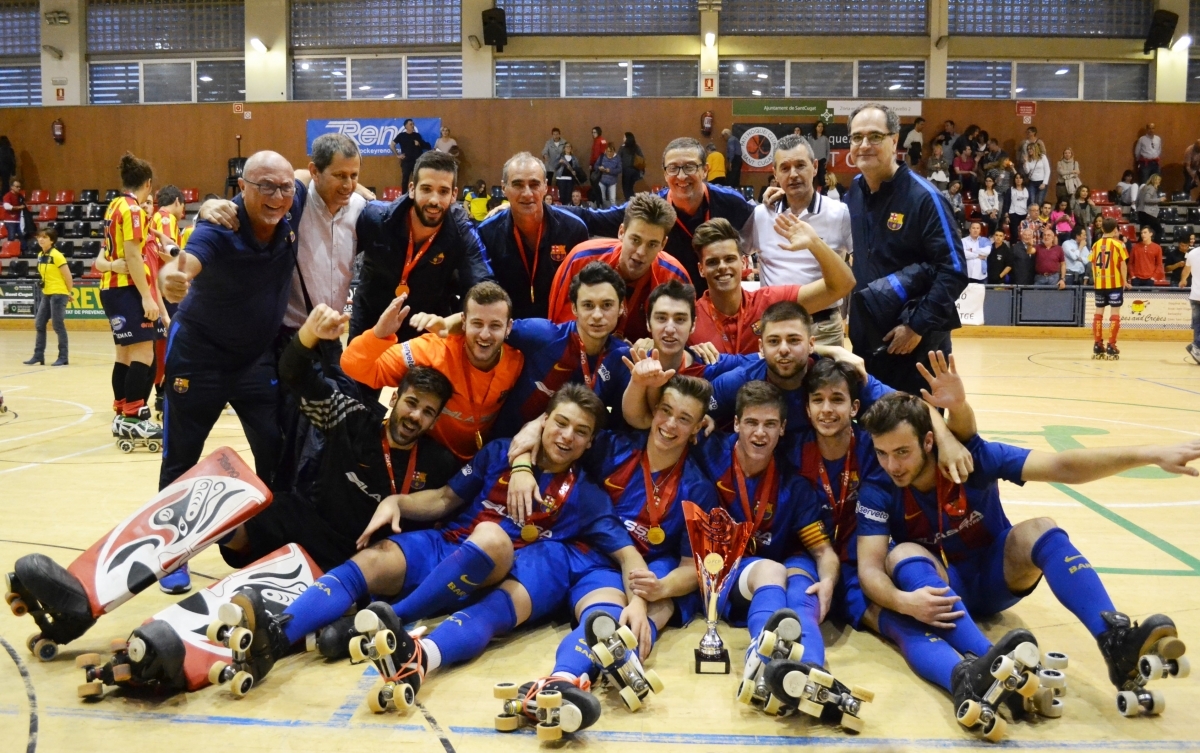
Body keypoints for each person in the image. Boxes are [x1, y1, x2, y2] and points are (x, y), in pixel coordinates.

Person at [217, 384, 648, 700]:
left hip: (495, 572)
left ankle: (393, 617)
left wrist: (640, 602)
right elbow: (445, 498)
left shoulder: (588, 496)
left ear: (590, 441)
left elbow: (627, 554)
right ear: (544, 422)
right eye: (561, 422)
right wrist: (397, 500)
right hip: (447, 545)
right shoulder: (501, 451)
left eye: (580, 431)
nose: (567, 436)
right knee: (374, 560)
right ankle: (276, 635)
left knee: (492, 536)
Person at [860, 363, 1198, 732]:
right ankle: (984, 659)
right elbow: (871, 569)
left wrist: (1148, 454)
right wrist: (901, 601)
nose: (892, 464)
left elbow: (1062, 466)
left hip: (994, 578)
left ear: (929, 441)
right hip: (937, 590)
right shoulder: (878, 488)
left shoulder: (973, 458)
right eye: (882, 453)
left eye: (902, 452)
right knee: (901, 555)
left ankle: (1115, 642)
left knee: (1041, 528)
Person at [219, 304, 461, 573]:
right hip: (318, 532)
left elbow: (445, 513)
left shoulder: (439, 461)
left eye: (427, 412)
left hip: (374, 558)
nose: (415, 416)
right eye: (411, 403)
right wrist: (310, 332)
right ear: (395, 398)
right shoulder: (350, 417)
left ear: (436, 420)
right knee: (273, 510)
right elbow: (293, 373)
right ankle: (216, 531)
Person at [157, 150, 303, 495]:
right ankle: (167, 545)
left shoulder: (292, 204)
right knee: (181, 462)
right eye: (266, 187)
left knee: (276, 449)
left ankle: (269, 538)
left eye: (285, 188)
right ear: (242, 186)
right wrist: (169, 279)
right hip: (199, 358)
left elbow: (312, 176)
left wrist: (365, 192)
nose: (278, 197)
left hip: (255, 359)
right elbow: (186, 260)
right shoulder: (220, 225)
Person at [843, 103, 968, 397]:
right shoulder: (855, 192)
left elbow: (954, 271)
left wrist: (916, 326)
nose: (864, 145)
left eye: (875, 137)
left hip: (915, 346)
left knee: (918, 434)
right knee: (871, 435)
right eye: (857, 137)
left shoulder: (924, 198)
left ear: (895, 141)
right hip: (867, 344)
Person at [341, 283, 524, 461]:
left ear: (508, 327)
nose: (484, 335)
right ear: (463, 322)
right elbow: (353, 367)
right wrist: (378, 335)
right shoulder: (430, 351)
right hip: (431, 460)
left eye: (495, 326)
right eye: (477, 323)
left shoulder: (518, 361)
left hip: (485, 457)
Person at [349, 149, 492, 349]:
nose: (434, 200)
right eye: (426, 189)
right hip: (370, 327)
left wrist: (451, 323)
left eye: (443, 191)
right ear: (412, 189)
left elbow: (483, 286)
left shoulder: (462, 231)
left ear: (454, 195)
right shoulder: (375, 219)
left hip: (426, 334)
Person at [492, 261, 633, 436]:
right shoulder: (542, 335)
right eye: (588, 305)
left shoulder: (623, 358)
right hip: (507, 444)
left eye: (606, 305)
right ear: (574, 308)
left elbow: (622, 421)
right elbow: (487, 324)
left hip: (571, 454)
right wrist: (450, 323)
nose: (597, 315)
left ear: (621, 308)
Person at [692, 216, 854, 353]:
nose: (722, 267)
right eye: (712, 262)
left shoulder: (771, 302)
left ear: (743, 263)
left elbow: (842, 285)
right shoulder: (689, 319)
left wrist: (815, 243)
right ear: (701, 269)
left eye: (729, 259)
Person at [752, 134, 855, 345]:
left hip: (823, 328)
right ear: (775, 173)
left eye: (800, 165)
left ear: (815, 166)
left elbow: (862, 266)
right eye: (785, 168)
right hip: (775, 327)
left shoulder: (840, 213)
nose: (793, 174)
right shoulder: (760, 215)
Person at [547, 193, 688, 343]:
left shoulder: (675, 277)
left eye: (652, 244)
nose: (641, 252)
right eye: (635, 240)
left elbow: (683, 342)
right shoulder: (581, 259)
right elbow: (558, 329)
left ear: (663, 244)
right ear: (621, 232)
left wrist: (657, 349)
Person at [478, 152, 589, 321]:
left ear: (545, 187)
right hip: (507, 333)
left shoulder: (574, 230)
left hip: (560, 333)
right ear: (503, 188)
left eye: (534, 184)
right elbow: (482, 292)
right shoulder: (487, 233)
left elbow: (584, 292)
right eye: (518, 185)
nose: (527, 193)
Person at [99, 154, 163, 441]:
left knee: (124, 354)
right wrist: (147, 297)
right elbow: (133, 254)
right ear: (147, 184)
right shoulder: (133, 210)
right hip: (126, 288)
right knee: (143, 353)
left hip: (109, 288)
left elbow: (108, 252)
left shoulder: (113, 205)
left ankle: (122, 410)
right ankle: (134, 416)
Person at [23, 228, 71, 367]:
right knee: (39, 323)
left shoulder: (57, 255)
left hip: (58, 293)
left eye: (44, 237)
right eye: (39, 237)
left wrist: (68, 292)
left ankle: (63, 357)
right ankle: (38, 355)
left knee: (58, 325)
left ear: (52, 240)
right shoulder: (40, 255)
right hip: (47, 292)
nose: (41, 239)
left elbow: (68, 276)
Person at [1090, 217, 1131, 359]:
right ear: (1115, 230)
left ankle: (1097, 344)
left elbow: (1092, 264)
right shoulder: (1119, 244)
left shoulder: (1095, 245)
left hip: (1100, 284)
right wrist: (1125, 281)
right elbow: (1123, 264)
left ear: (1101, 229)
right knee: (1114, 314)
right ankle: (1111, 345)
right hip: (1115, 284)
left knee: (1098, 313)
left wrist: (1096, 280)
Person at [391, 119, 430, 190]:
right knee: (405, 180)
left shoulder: (417, 135)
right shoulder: (401, 135)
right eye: (410, 124)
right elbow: (392, 144)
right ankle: (403, 197)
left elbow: (427, 146)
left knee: (417, 179)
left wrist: (419, 144)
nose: (412, 125)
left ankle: (417, 196)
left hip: (417, 161)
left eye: (413, 124)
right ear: (406, 126)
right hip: (406, 161)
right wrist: (397, 155)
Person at [1180, 242, 1200, 364]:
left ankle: (1196, 348)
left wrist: (1183, 280)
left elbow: (1186, 270)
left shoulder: (1192, 253)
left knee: (1197, 324)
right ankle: (1195, 346)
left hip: (1195, 295)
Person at [1135, 173, 1163, 243]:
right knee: (1159, 230)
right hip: (1148, 213)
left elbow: (1137, 200)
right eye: (1158, 181)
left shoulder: (1143, 188)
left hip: (1141, 212)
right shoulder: (1151, 188)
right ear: (1155, 181)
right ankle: (1156, 248)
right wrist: (1160, 199)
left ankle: (1139, 248)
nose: (1159, 183)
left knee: (1143, 232)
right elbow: (1147, 199)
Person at [1023, 142, 1051, 209]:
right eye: (1028, 149)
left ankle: (1038, 217)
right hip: (1032, 182)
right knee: (1031, 201)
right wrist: (1025, 162)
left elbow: (1047, 170)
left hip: (1041, 182)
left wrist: (1044, 183)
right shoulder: (1029, 159)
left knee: (1039, 201)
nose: (1029, 150)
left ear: (1035, 149)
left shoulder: (1042, 157)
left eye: (1031, 149)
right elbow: (1027, 171)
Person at [619, 132, 645, 201]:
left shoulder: (623, 147)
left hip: (626, 171)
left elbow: (618, 158)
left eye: (624, 137)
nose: (623, 138)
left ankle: (628, 203)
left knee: (626, 189)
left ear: (627, 138)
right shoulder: (636, 147)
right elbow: (642, 157)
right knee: (633, 188)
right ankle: (634, 202)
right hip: (635, 171)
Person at [595, 143, 622, 208]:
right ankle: (604, 212)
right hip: (602, 180)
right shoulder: (602, 156)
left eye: (611, 151)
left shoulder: (617, 158)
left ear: (614, 151)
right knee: (602, 198)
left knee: (612, 199)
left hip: (612, 181)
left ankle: (613, 213)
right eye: (608, 151)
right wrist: (599, 168)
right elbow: (595, 165)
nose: (609, 153)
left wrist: (611, 171)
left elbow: (620, 169)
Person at [808, 121, 831, 192]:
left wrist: (827, 161)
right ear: (815, 127)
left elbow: (828, 150)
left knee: (822, 180)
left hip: (822, 161)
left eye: (822, 126)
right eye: (819, 126)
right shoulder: (811, 139)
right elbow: (808, 150)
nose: (820, 128)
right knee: (811, 179)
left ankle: (824, 194)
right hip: (813, 161)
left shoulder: (825, 139)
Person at [588, 126, 608, 204]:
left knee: (596, 184)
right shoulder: (595, 141)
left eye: (595, 132)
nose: (593, 134)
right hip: (594, 165)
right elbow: (593, 154)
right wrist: (591, 163)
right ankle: (596, 201)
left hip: (599, 165)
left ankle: (599, 202)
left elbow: (602, 154)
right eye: (592, 132)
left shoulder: (602, 141)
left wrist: (600, 164)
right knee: (593, 183)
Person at [2, 177, 26, 242]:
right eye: (17, 187)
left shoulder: (20, 196)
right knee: (11, 237)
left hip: (18, 220)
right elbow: (6, 206)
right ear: (12, 187)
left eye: (20, 187)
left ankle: (23, 250)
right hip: (10, 221)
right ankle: (11, 250)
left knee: (22, 236)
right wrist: (19, 207)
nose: (19, 188)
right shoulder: (8, 195)